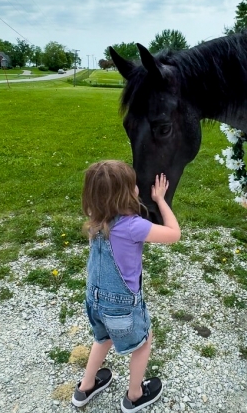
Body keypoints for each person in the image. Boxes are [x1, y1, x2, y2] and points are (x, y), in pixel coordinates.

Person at [71, 160, 181, 412]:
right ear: (128, 193)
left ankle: (85, 387)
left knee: (103, 338)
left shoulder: (94, 218)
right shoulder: (133, 226)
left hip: (94, 299)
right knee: (143, 342)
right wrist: (161, 200)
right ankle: (134, 396)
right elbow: (174, 234)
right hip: (122, 305)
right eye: (133, 185)